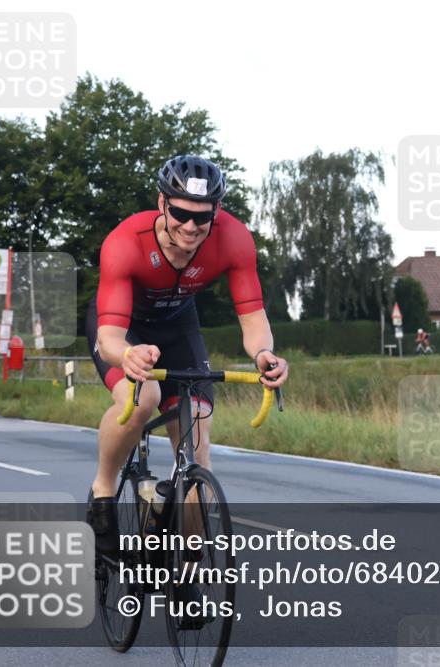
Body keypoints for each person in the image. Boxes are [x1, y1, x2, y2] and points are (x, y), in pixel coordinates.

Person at [85, 155, 288, 558]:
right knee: (142, 400)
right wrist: (128, 354)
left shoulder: (233, 238)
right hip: (125, 326)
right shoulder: (127, 242)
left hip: (179, 325)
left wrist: (265, 353)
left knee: (197, 432)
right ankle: (103, 490)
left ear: (216, 212)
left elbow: (252, 316)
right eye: (180, 213)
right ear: (162, 203)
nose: (191, 226)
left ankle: (191, 565)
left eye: (203, 217)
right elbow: (109, 338)